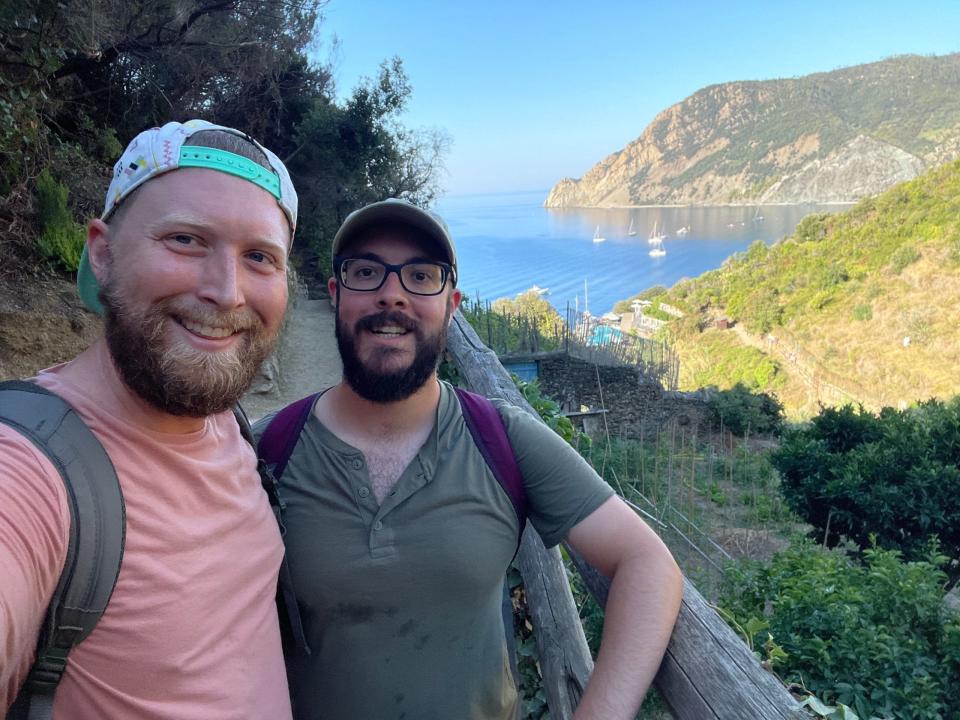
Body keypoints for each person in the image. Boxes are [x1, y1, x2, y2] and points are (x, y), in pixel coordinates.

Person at [262, 198, 683, 720]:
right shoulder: (267, 452)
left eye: (420, 276)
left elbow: (648, 564)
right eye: (366, 272)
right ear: (336, 295)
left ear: (452, 304)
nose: (392, 295)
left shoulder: (501, 438)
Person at [0, 119, 298, 719]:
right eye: (186, 239)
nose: (227, 291)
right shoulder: (31, 473)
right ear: (102, 252)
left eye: (260, 257)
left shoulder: (227, 423)